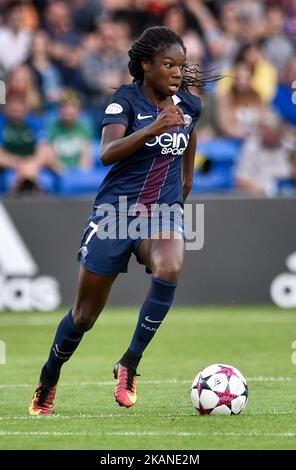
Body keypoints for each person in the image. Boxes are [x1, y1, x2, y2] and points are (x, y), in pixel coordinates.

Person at [29, 25, 204, 416]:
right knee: (84, 316)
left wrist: (172, 212)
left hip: (159, 214)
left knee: (171, 264)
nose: (177, 72)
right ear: (146, 65)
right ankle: (49, 376)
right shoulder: (124, 101)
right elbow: (108, 152)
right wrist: (153, 127)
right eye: (168, 64)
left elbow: (188, 172)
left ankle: (129, 364)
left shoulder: (190, 107)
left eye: (181, 64)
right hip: (114, 215)